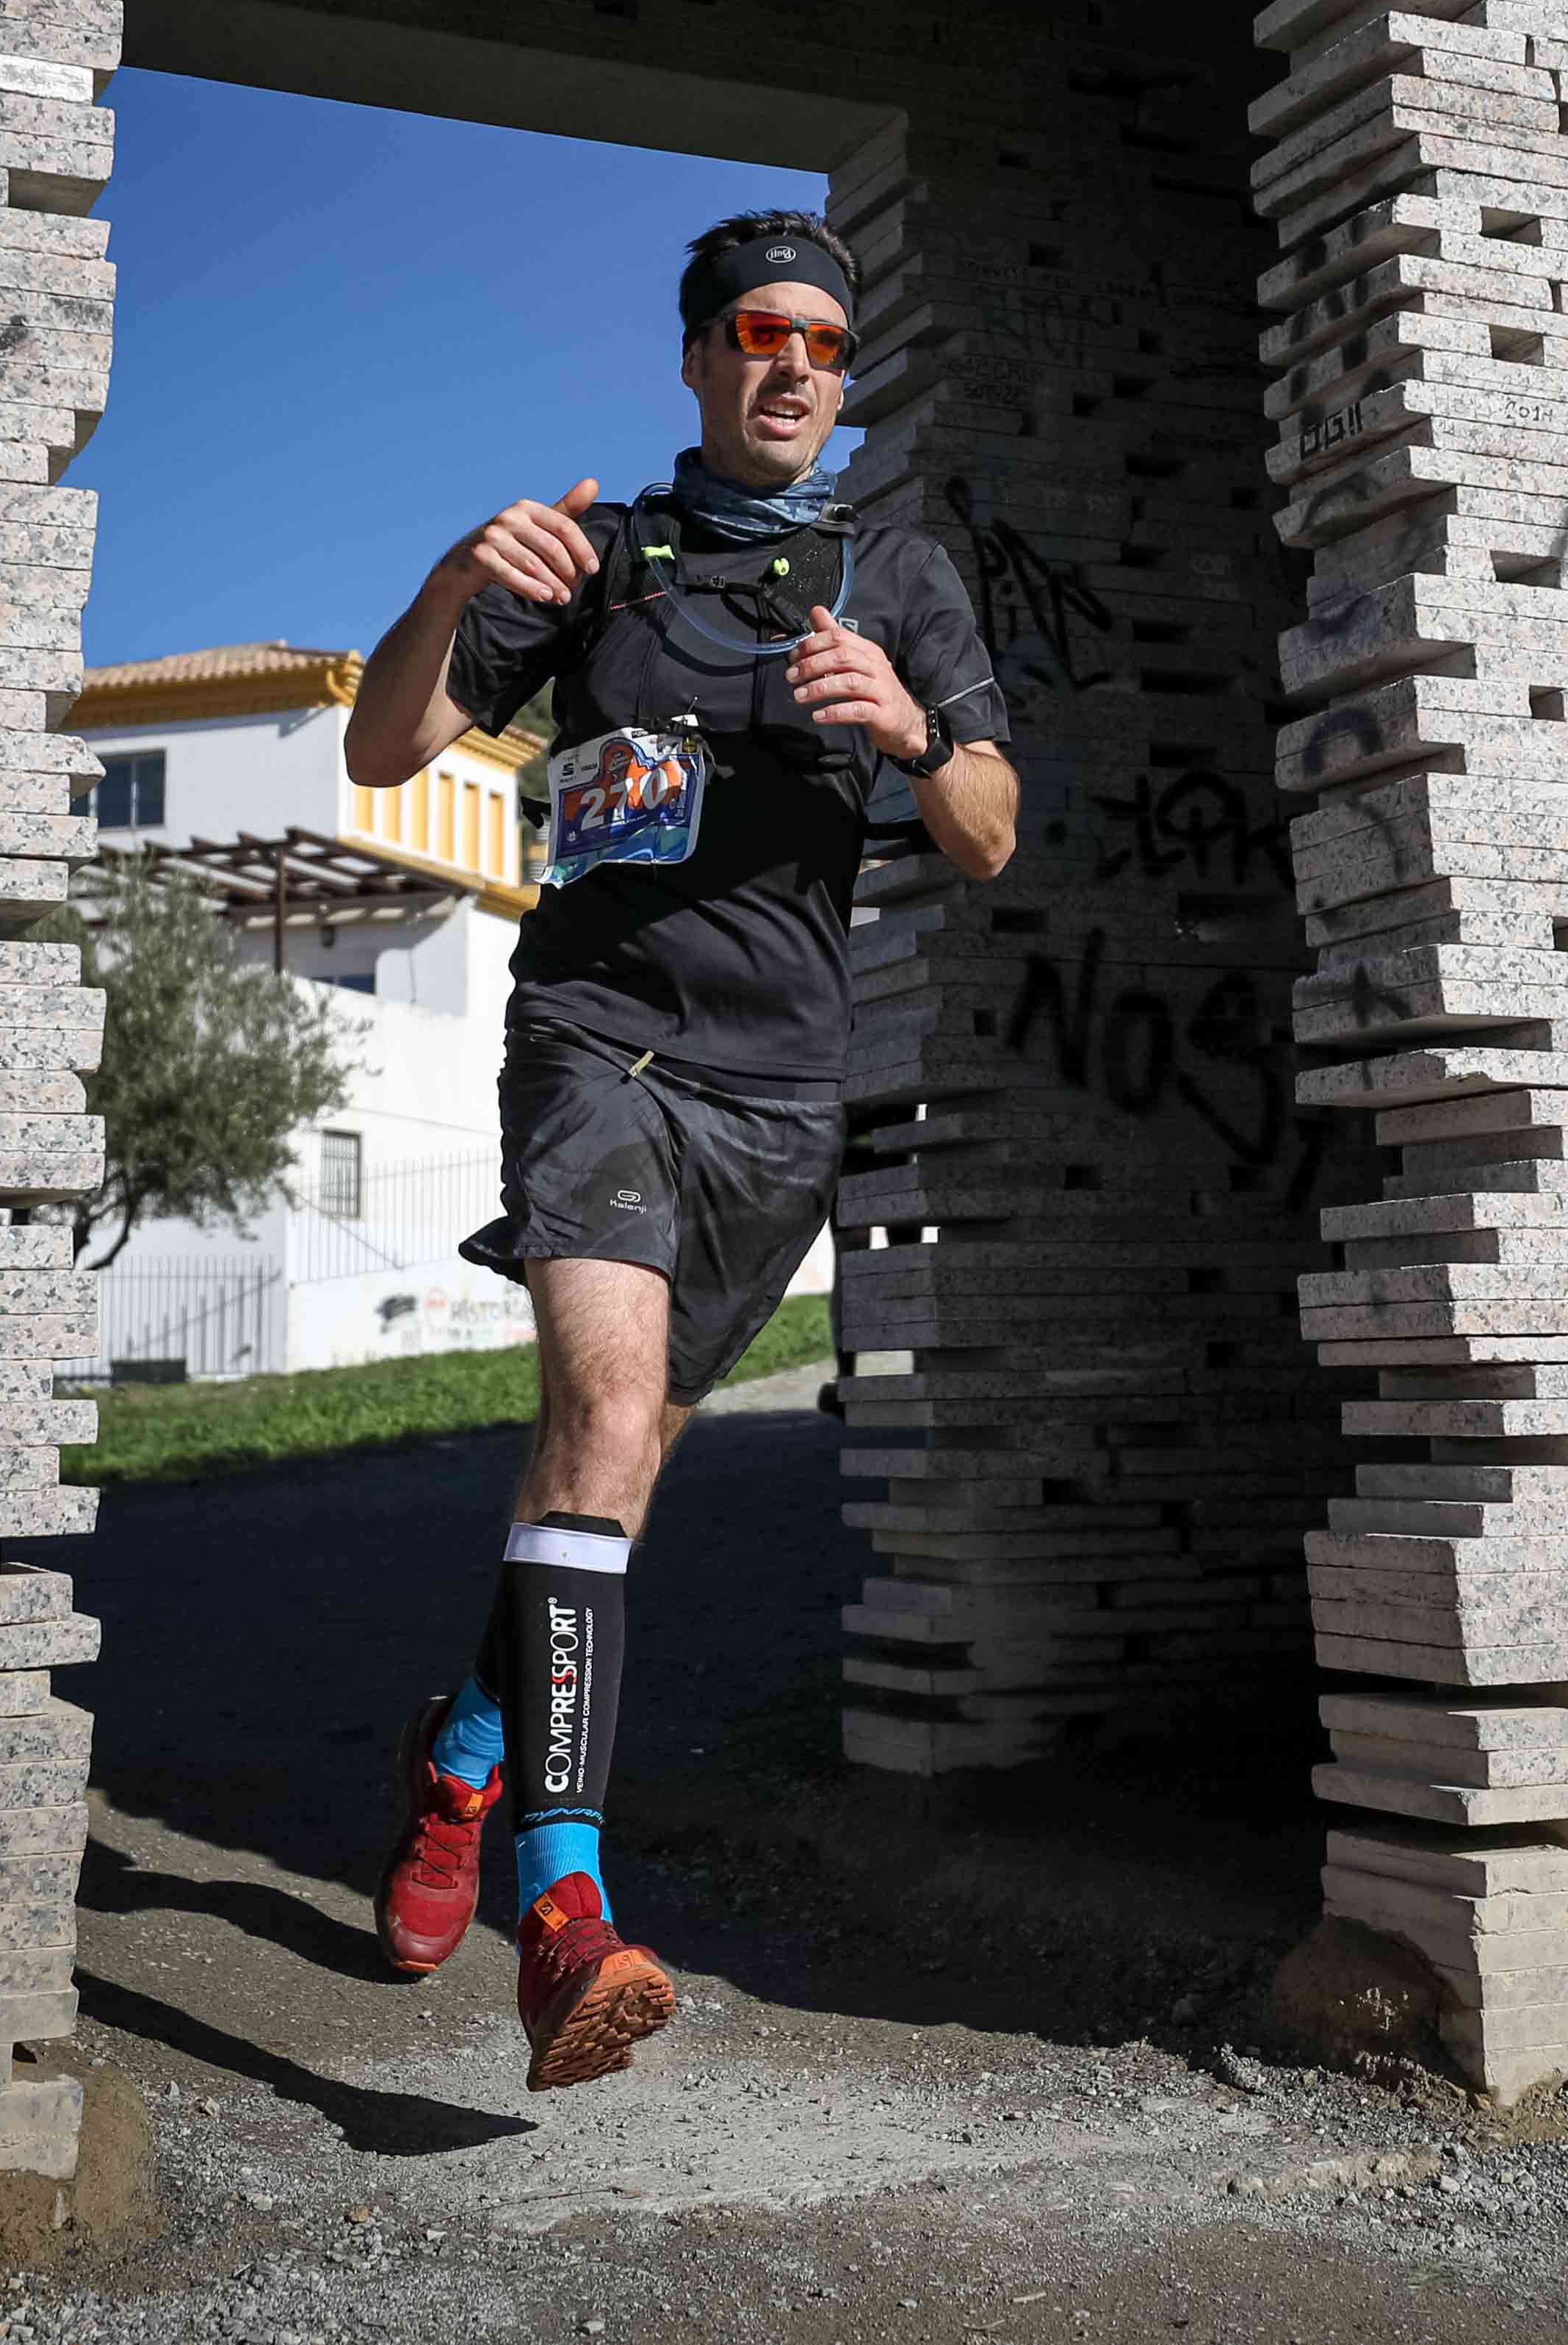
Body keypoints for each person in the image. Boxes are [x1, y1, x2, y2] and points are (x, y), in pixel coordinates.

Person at [344, 209, 1018, 2091]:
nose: (794, 363)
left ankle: (461, 1760)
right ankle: (563, 1905)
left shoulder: (895, 570)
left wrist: (911, 732)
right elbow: (382, 754)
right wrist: (446, 581)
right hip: (597, 1043)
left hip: (780, 1091)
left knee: (615, 1467)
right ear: (700, 356)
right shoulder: (600, 560)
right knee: (606, 1403)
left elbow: (989, 831)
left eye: (825, 339)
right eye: (758, 331)